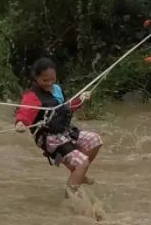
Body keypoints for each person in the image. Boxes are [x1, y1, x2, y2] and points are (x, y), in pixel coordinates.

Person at [14, 57, 103, 188]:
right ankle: (71, 197)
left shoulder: (57, 89)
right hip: (50, 140)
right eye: (45, 80)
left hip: (65, 133)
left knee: (95, 140)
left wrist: (81, 99)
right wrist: (20, 123)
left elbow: (66, 107)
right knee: (82, 163)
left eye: (53, 79)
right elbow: (24, 112)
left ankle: (78, 175)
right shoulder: (32, 96)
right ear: (36, 78)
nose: (50, 83)